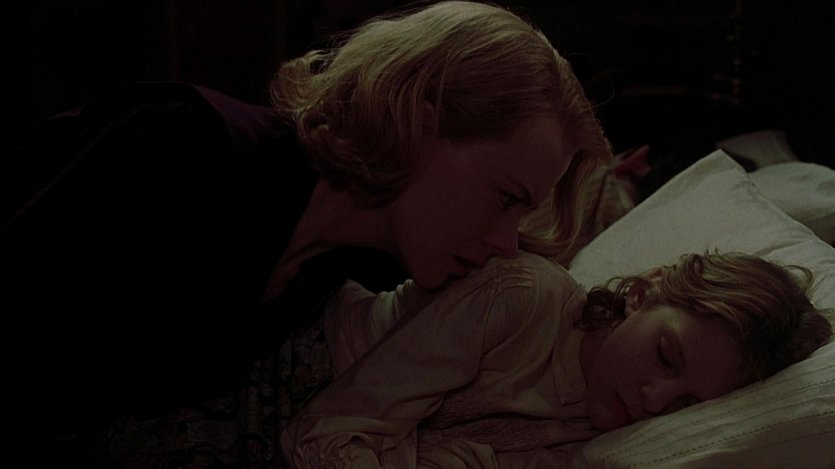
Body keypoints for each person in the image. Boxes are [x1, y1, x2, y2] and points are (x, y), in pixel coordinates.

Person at [1, 0, 611, 460]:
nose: (505, 241)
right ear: (423, 123)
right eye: (506, 198)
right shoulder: (189, 146)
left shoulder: (348, 274)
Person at [281, 250, 832, 468]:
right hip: (283, 356)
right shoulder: (524, 299)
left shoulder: (585, 444)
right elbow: (330, 427)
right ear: (641, 293)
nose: (655, 401)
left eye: (686, 404)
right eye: (666, 357)